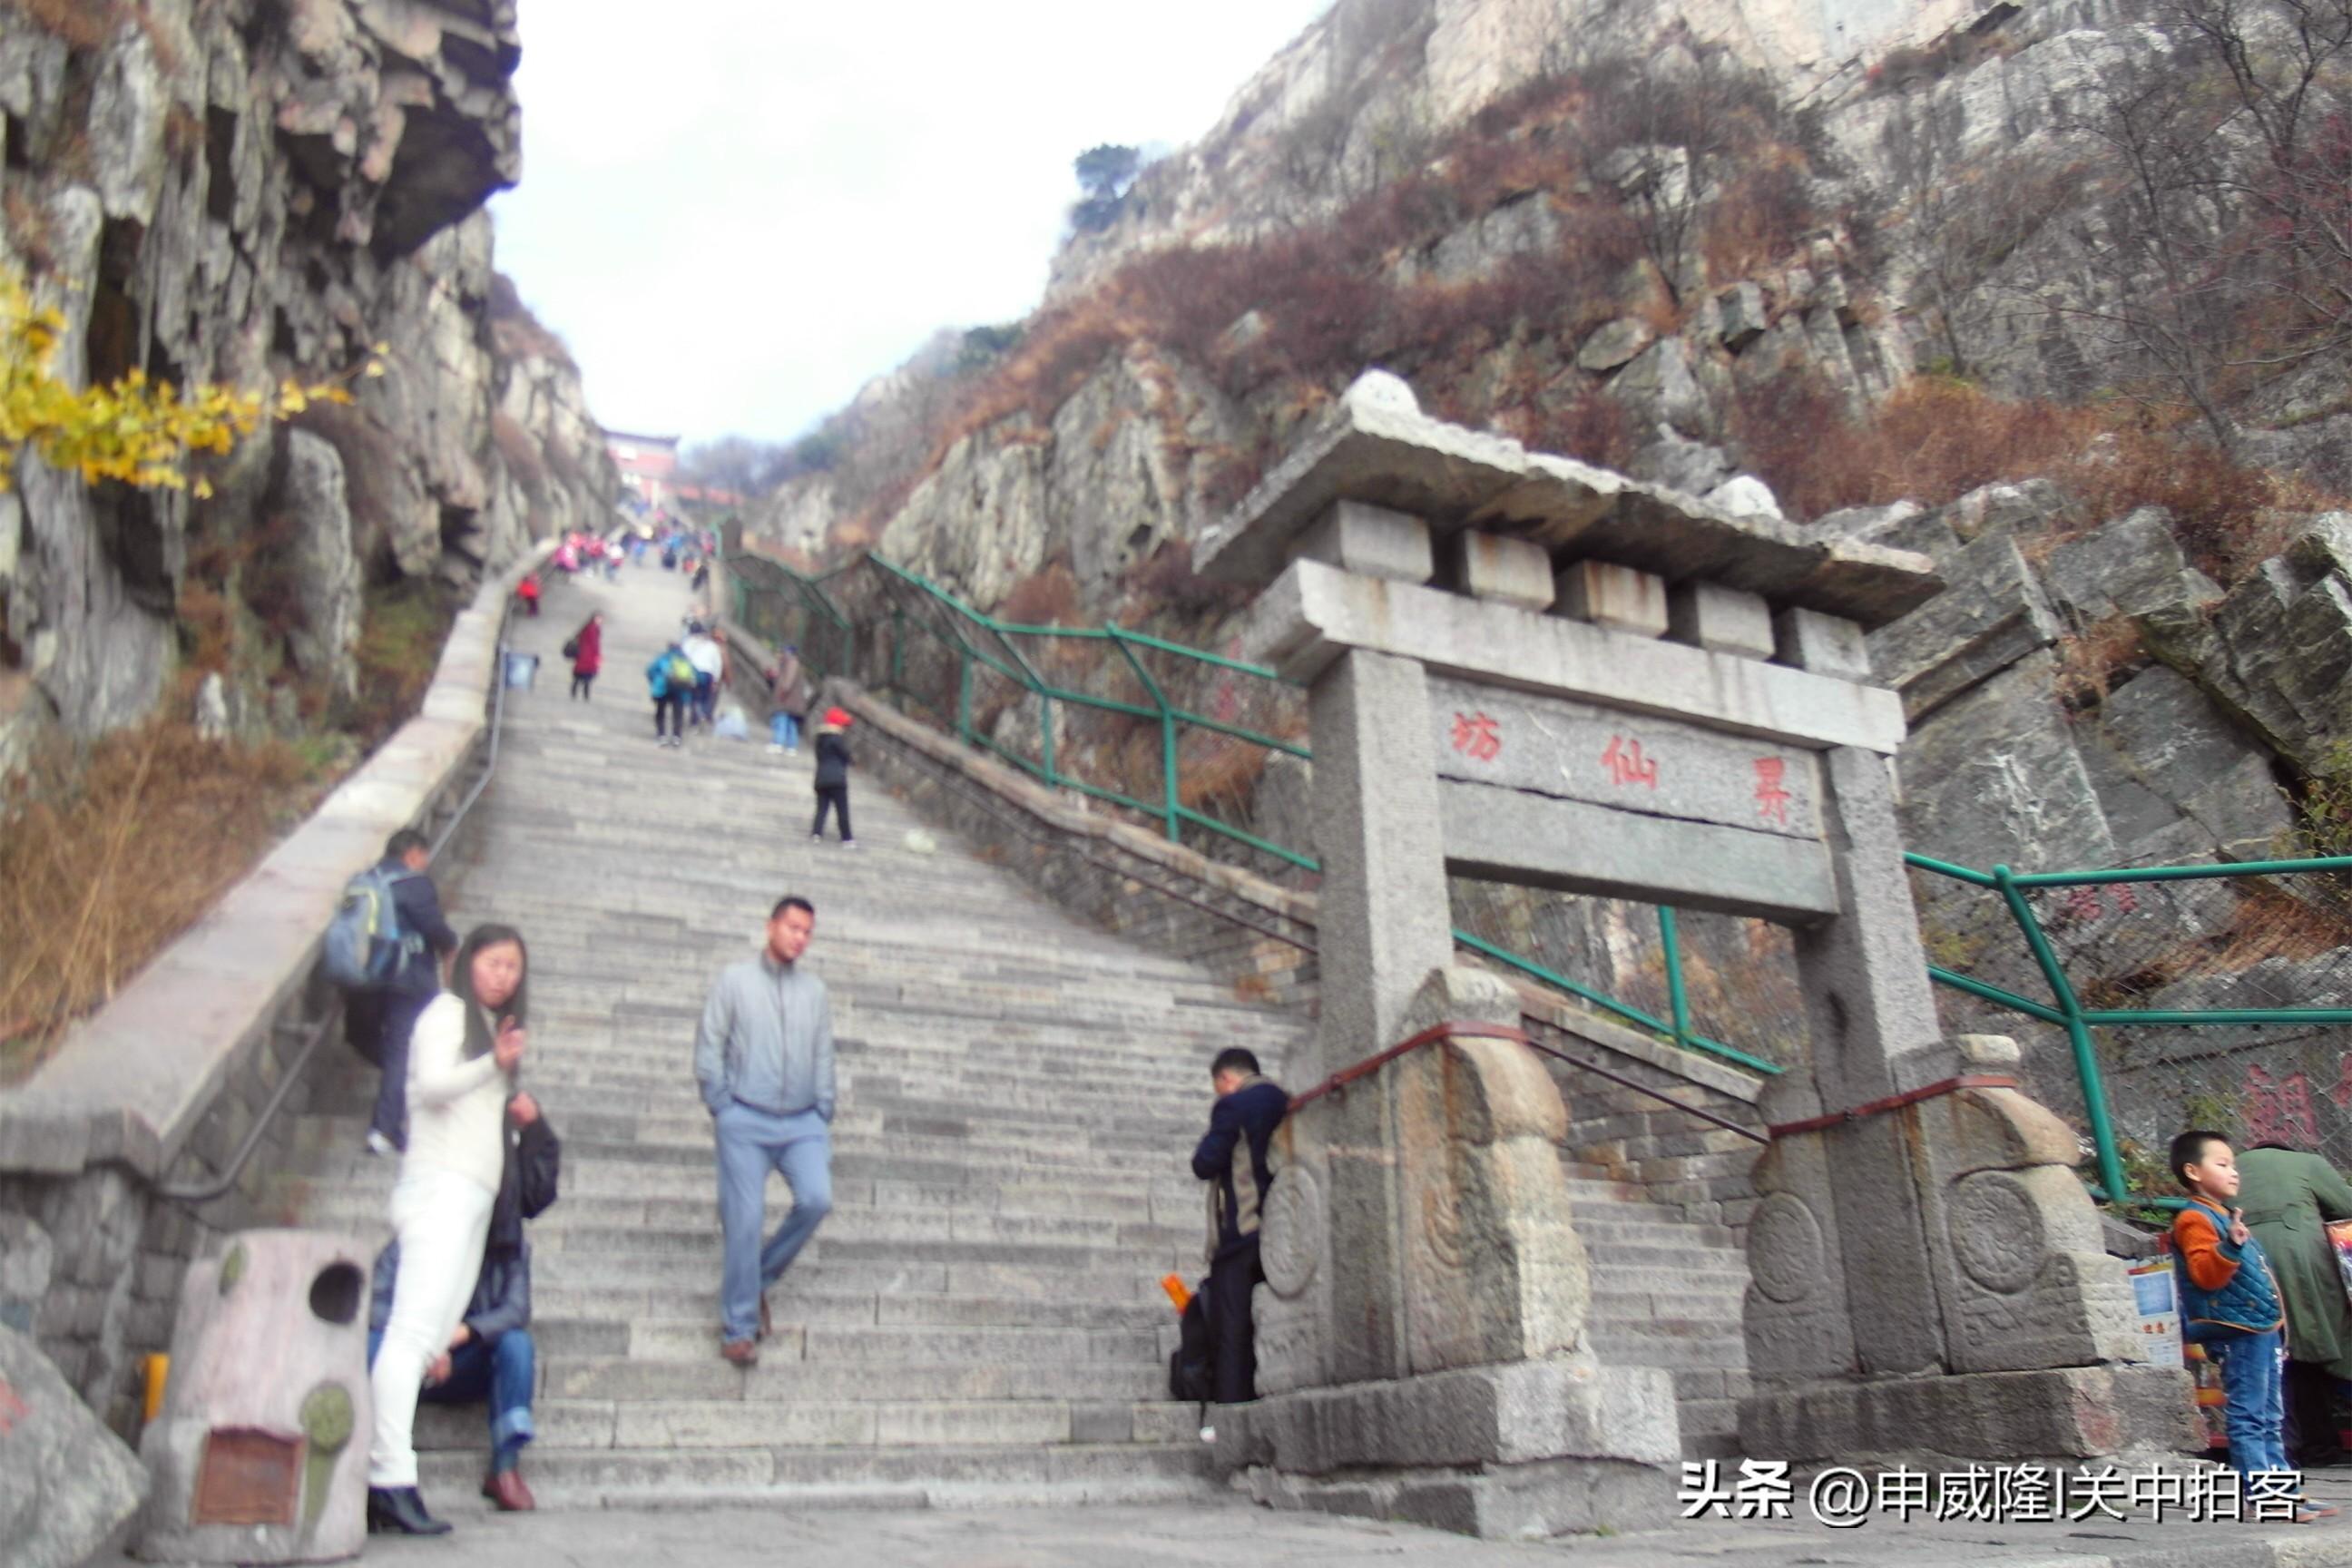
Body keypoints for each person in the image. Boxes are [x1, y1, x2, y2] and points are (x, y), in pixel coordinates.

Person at [368, 925, 531, 1535]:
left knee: (430, 1340)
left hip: (473, 1198)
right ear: (466, 963)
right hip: (439, 1188)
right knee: (410, 1334)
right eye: (493, 962)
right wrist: (494, 1065)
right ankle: (388, 1478)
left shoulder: (490, 1031)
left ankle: (388, 1479)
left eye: (513, 966)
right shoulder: (447, 1011)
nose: (503, 975)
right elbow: (429, 1088)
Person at [368, 1090, 560, 1512]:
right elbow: (375, 1303)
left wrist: (460, 1335)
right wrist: (422, 1344)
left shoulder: (505, 1247)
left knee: (516, 1344)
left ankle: (505, 1467)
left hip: (463, 1361)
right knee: (368, 1346)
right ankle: (370, 1456)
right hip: (411, 1361)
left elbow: (516, 1308)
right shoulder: (421, 1232)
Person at [695, 896, 835, 1367]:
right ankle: (738, 1328)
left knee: (816, 1199)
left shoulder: (814, 992)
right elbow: (710, 1043)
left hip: (801, 1122)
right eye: (792, 927)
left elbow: (823, 1053)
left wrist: (823, 1107)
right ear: (770, 926)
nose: (799, 937)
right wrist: (722, 1105)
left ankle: (754, 1281)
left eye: (807, 931)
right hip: (745, 1119)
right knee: (746, 1218)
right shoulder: (735, 981)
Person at [343, 829, 459, 1158]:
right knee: (400, 1052)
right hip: (405, 980)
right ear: (412, 854)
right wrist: (452, 945)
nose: (425, 864)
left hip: (361, 978)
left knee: (358, 1036)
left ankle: (404, 1079)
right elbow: (433, 927)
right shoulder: (415, 884)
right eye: (424, 857)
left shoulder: (361, 881)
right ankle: (385, 1130)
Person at [2238, 1144, 2352, 1467]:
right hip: (2302, 1259)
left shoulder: (2228, 1166)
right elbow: (2347, 1207)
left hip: (2245, 1262)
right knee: (2315, 1353)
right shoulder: (2307, 1162)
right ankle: (2321, 1446)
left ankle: (2286, 1451)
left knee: (2275, 1356)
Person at [1191, 1046, 1287, 1426]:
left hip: (1242, 1234)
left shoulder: (1234, 1106)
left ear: (1227, 1079)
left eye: (1219, 1088)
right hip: (1281, 1229)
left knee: (1232, 1330)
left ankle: (1229, 1423)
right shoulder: (1284, 1100)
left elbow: (1204, 1164)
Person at [810, 707, 856, 848]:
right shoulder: (837, 740)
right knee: (842, 809)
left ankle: (816, 833)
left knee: (822, 807)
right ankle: (847, 838)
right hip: (837, 779)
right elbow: (846, 756)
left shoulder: (820, 739)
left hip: (821, 778)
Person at [648, 640, 690, 748]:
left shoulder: (663, 658)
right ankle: (676, 737)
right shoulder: (685, 660)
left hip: (663, 689)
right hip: (680, 690)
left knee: (661, 713)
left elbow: (650, 671)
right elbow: (695, 675)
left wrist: (655, 682)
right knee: (678, 714)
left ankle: (662, 735)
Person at [768, 644, 808, 755]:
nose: (779, 655)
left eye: (782, 653)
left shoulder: (791, 663)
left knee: (781, 720)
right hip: (793, 700)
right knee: (791, 723)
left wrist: (783, 691)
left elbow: (788, 681)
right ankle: (791, 746)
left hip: (787, 699)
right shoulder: (789, 664)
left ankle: (778, 743)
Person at [683, 622, 723, 730]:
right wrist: (716, 680)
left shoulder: (688, 643)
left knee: (694, 697)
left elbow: (685, 659)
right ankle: (703, 714)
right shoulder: (712, 646)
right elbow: (718, 664)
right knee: (705, 697)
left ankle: (694, 720)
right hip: (708, 674)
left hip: (694, 673)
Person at [566, 612, 603, 701]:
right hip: (588, 655)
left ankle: (575, 691)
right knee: (587, 675)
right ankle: (585, 694)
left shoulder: (587, 627)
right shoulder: (593, 629)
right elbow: (595, 643)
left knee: (579, 675)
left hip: (583, 654)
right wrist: (598, 654)